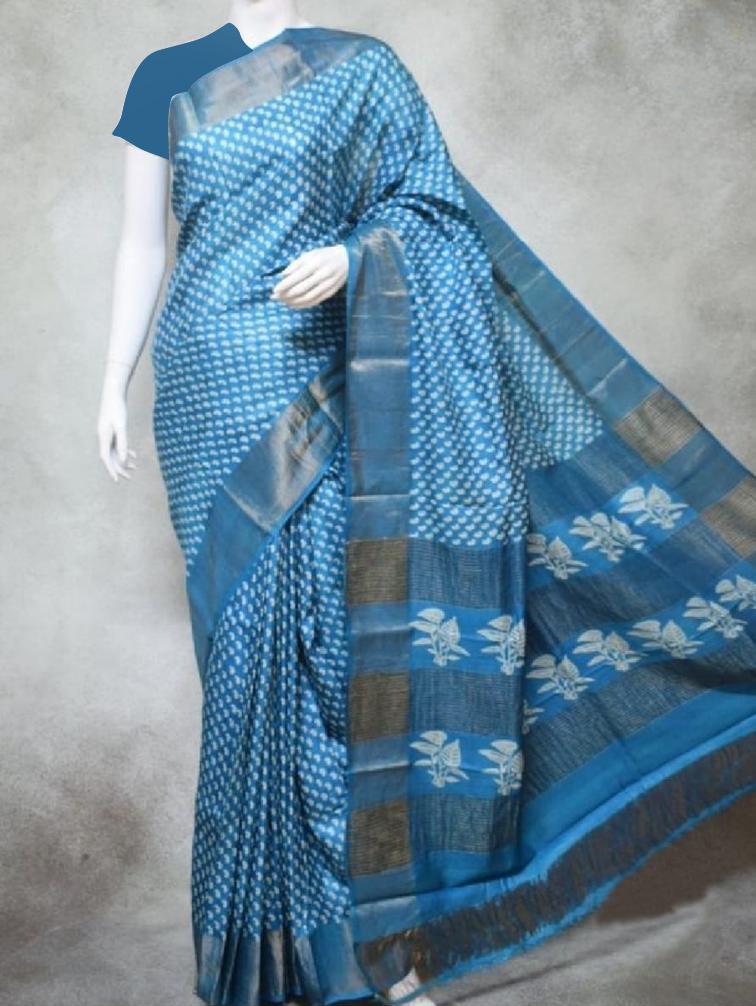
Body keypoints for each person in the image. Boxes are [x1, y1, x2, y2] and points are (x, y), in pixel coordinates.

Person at [102, 3, 756, 1005]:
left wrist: (360, 257)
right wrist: (111, 384)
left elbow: (431, 207)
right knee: (245, 665)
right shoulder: (163, 75)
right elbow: (141, 246)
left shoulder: (361, 69)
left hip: (320, 376)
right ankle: (273, 950)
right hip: (206, 390)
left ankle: (376, 951)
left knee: (347, 653)